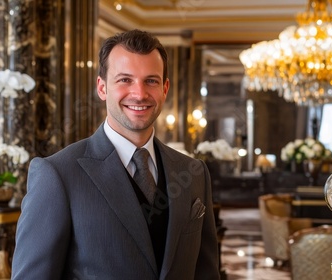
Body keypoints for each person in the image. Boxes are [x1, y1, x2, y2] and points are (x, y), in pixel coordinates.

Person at [12, 30, 220, 279]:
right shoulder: (58, 175)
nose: (140, 93)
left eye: (151, 81)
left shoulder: (193, 172)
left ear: (165, 89)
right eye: (125, 80)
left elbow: (206, 272)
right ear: (102, 88)